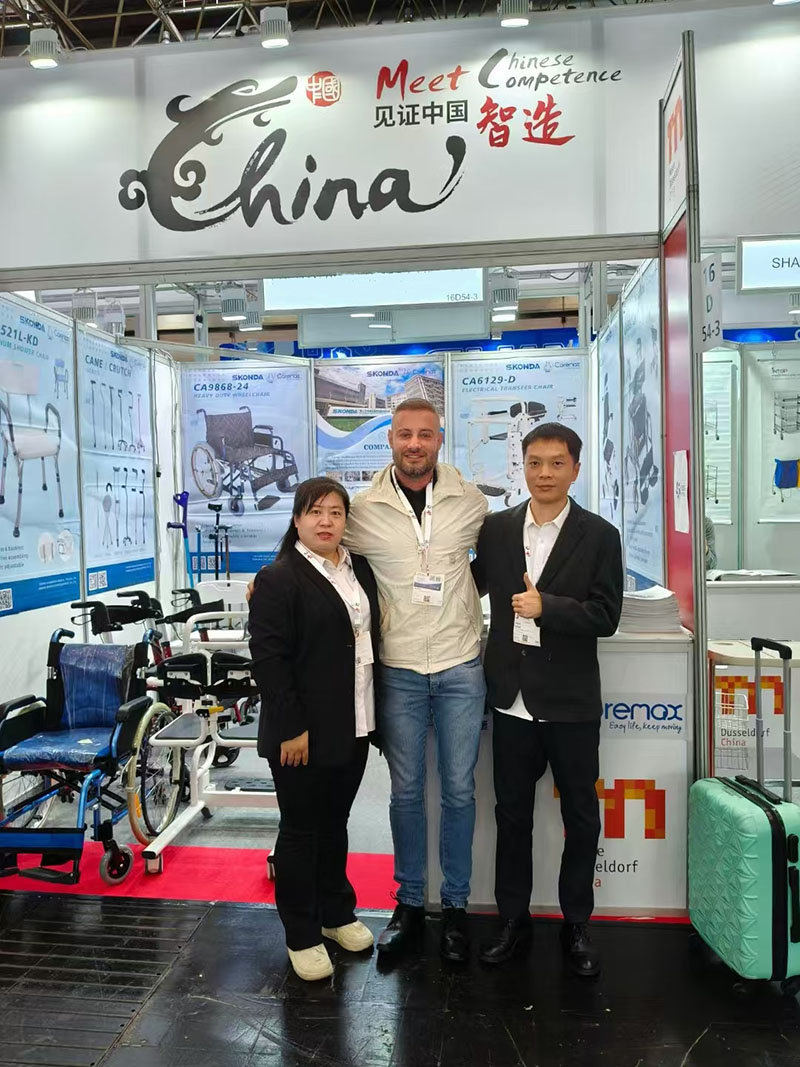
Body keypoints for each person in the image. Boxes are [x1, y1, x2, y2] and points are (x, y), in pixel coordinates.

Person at [472, 423, 623, 977]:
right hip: (511, 699)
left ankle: (577, 924)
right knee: (511, 817)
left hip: (570, 702)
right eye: (535, 463)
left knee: (580, 817)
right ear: (522, 466)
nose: (544, 474)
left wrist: (548, 608)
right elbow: (462, 583)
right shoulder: (496, 529)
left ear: (575, 469)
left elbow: (606, 616)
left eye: (557, 463)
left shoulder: (600, 535)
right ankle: (512, 920)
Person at [344, 398, 488, 963]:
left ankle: (455, 907)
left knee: (459, 790)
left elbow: (498, 559)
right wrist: (268, 579)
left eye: (425, 434)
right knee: (404, 792)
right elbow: (318, 548)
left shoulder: (469, 501)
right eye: (405, 434)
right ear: (390, 439)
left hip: (460, 664)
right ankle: (407, 903)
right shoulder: (363, 510)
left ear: (439, 439)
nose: (414, 444)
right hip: (399, 669)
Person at [248, 477, 381, 982]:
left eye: (335, 512)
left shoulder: (357, 567)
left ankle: (336, 913)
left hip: (354, 721)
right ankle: (301, 933)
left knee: (335, 823)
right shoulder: (278, 578)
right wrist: (291, 726)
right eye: (315, 512)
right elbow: (270, 659)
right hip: (301, 732)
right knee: (301, 829)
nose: (326, 521)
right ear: (297, 519)